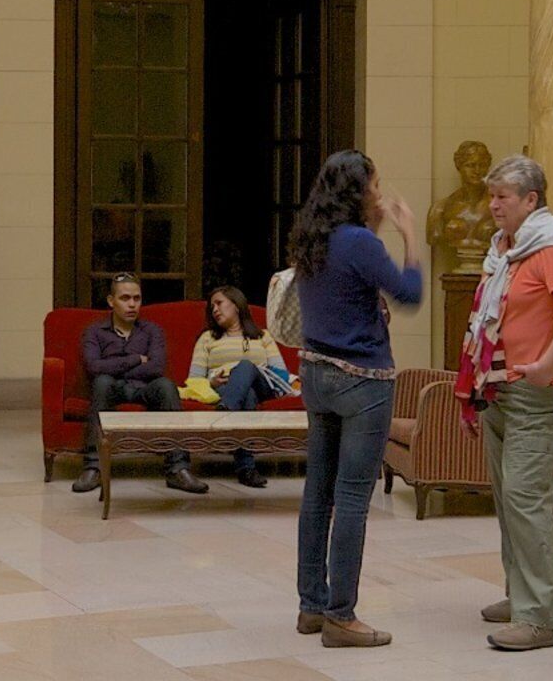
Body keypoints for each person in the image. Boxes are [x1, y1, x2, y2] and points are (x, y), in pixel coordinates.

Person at [286, 148, 425, 649]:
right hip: (362, 381)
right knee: (351, 500)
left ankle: (311, 605)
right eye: (375, 184)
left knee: (317, 492)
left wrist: (378, 234)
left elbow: (350, 285)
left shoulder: (312, 238)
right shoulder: (360, 242)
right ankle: (341, 617)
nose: (380, 193)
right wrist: (411, 236)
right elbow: (408, 293)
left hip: (317, 376)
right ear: (357, 192)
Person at [465, 153, 553, 654]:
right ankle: (520, 596)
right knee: (507, 497)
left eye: (503, 197)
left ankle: (540, 618)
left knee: (525, 498)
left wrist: (546, 364)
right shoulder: (505, 251)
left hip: (538, 391)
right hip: (499, 388)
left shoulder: (552, 248)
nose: (494, 205)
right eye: (491, 195)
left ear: (531, 200)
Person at [71, 274, 204, 496]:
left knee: (166, 385)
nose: (132, 304)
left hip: (145, 387)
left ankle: (178, 468)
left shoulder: (152, 330)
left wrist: (112, 364)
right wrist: (134, 359)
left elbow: (156, 367)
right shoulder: (95, 331)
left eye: (137, 298)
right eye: (125, 298)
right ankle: (94, 467)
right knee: (102, 382)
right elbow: (94, 368)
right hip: (112, 387)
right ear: (111, 301)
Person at [190, 282, 286, 485]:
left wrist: (249, 370)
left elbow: (281, 374)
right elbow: (195, 379)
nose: (215, 309)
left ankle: (226, 412)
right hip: (224, 388)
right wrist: (211, 381)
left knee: (245, 366)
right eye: (212, 307)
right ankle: (246, 470)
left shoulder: (262, 336)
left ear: (236, 305)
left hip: (263, 386)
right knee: (247, 395)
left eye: (219, 303)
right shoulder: (207, 338)